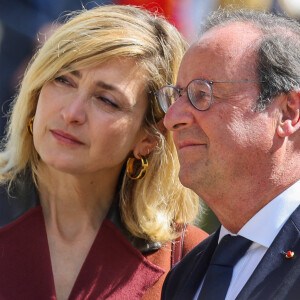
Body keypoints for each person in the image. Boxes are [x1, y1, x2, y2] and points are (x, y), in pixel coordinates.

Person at [0, 5, 208, 300]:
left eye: (107, 101)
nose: (72, 113)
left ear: (148, 137)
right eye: (63, 80)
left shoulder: (189, 259)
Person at [157, 8, 300, 300]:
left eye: (202, 94)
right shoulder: (182, 277)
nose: (172, 118)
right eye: (176, 96)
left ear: (289, 112)